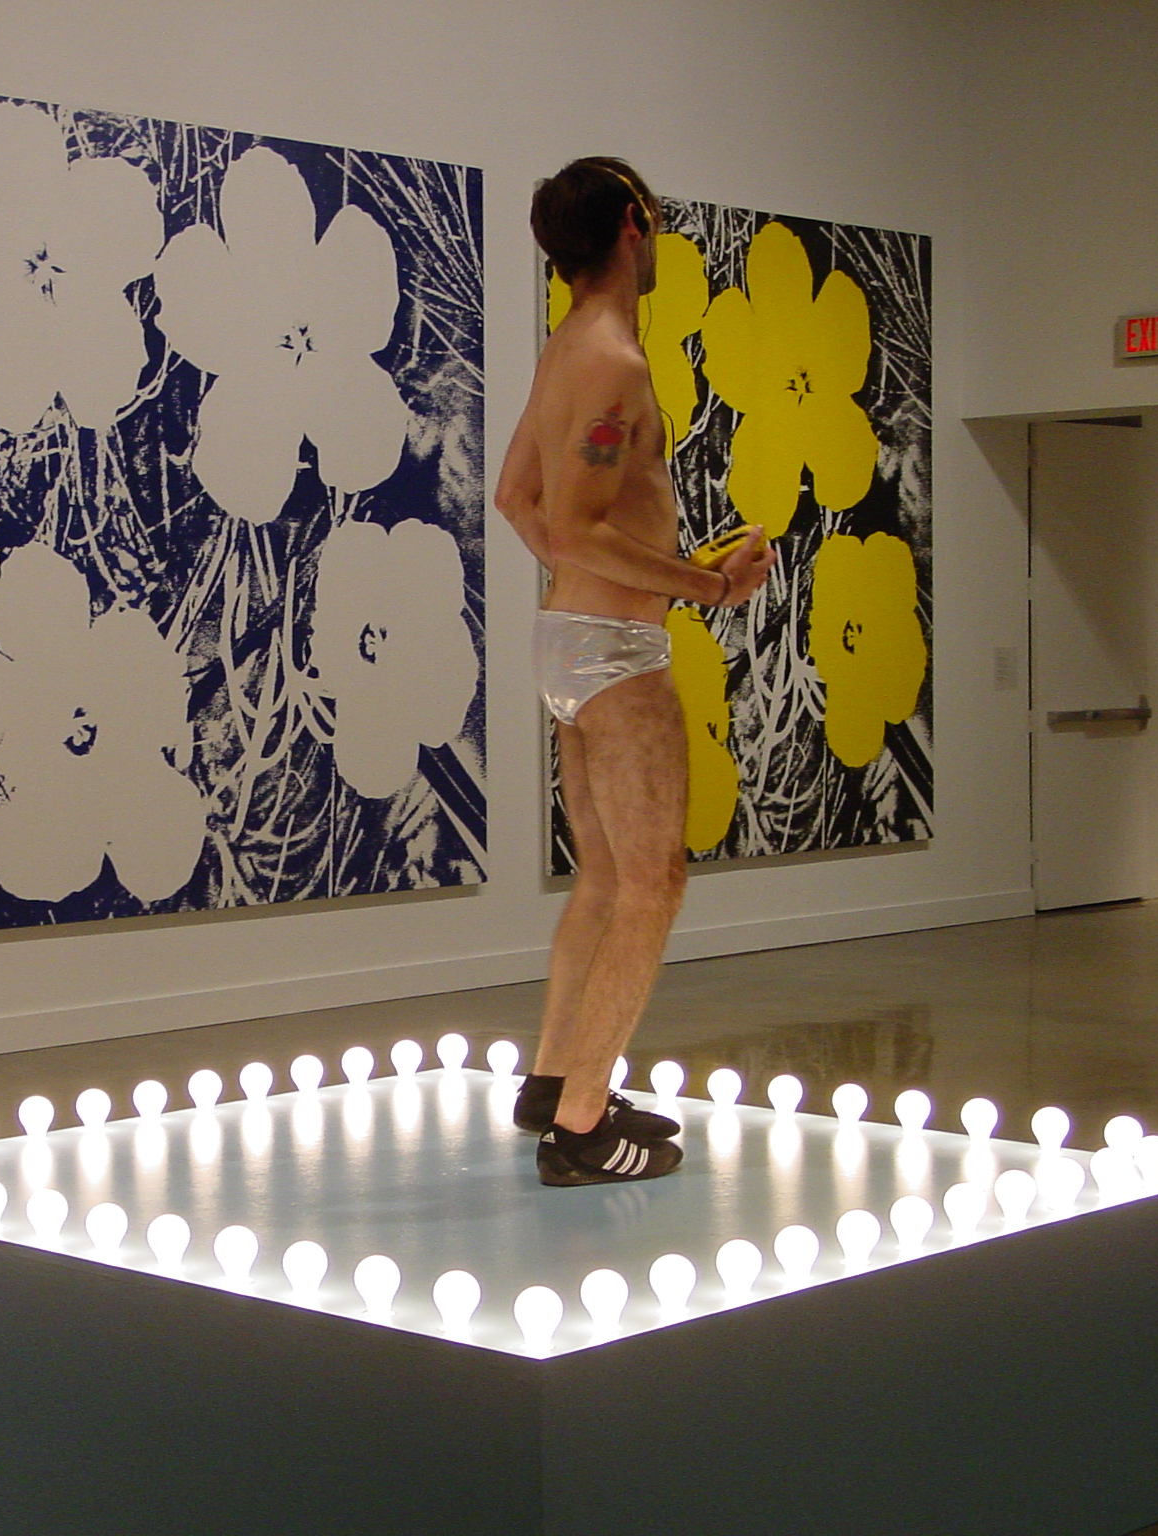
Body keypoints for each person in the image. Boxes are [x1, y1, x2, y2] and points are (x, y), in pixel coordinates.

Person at [494, 157, 776, 1186]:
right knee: (653, 884)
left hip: (568, 646)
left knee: (608, 877)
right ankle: (577, 1128)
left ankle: (554, 1079)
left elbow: (517, 504)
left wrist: (643, 579)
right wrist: (696, 590)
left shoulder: (567, 349)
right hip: (614, 659)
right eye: (653, 223)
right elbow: (571, 519)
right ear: (630, 225)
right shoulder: (612, 361)